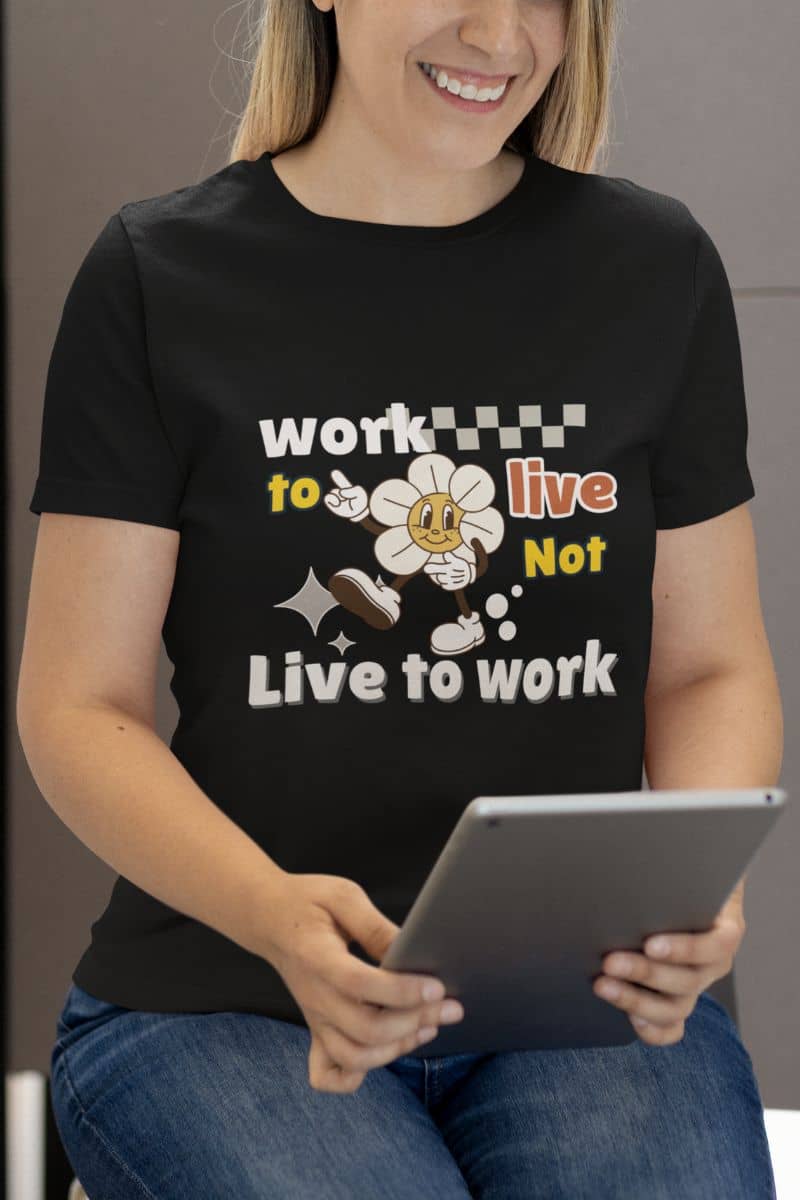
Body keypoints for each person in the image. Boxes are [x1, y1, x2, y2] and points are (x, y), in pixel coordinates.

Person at [17, 0, 783, 1196]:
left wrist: (698, 892)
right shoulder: (157, 276)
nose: (497, 32)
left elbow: (704, 669)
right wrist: (271, 914)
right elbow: (78, 706)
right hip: (225, 997)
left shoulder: (652, 269)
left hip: (572, 996)